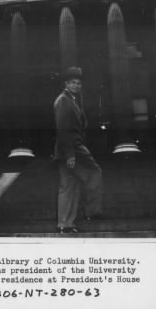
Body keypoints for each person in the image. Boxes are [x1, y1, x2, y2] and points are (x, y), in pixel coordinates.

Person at [53, 66, 103, 233]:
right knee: (94, 172)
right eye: (73, 82)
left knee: (70, 184)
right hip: (72, 148)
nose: (76, 85)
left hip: (73, 148)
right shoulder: (63, 101)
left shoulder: (72, 99)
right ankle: (91, 212)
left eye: (79, 83)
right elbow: (62, 130)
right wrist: (70, 155)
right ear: (66, 84)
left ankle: (66, 224)